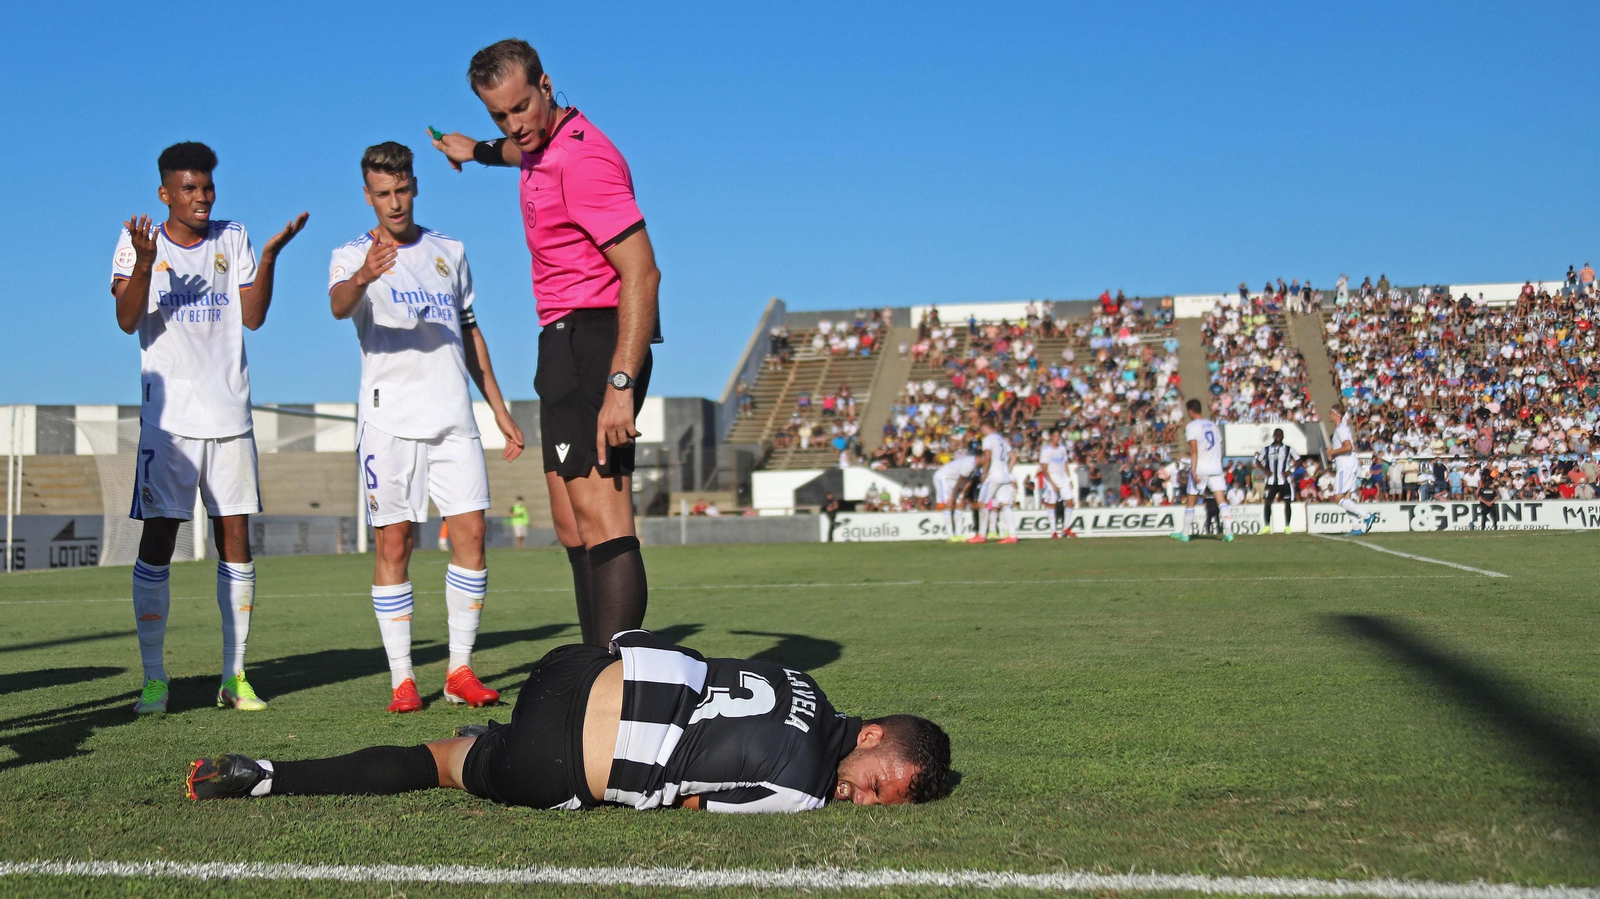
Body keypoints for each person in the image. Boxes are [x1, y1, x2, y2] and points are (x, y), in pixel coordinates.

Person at [186, 629, 954, 811]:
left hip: (573, 668)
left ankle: (261, 768)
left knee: (476, 743)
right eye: (876, 784)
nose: (862, 799)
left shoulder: (802, 677)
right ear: (874, 736)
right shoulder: (805, 792)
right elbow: (691, 802)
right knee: (446, 760)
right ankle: (267, 780)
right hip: (561, 759)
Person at [430, 39, 658, 647]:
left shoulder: (586, 160)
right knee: (571, 525)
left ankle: (612, 688)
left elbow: (642, 272)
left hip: (598, 338)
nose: (515, 124)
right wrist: (474, 151)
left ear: (547, 85)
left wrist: (620, 385)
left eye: (523, 107)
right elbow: (518, 150)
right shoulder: (540, 145)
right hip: (560, 340)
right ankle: (594, 670)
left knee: (604, 521)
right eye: (499, 115)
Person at [112, 141, 308, 715]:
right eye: (190, 188)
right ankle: (154, 679)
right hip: (168, 425)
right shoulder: (136, 241)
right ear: (165, 192)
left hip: (229, 417)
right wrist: (147, 261)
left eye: (207, 187)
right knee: (158, 541)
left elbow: (253, 316)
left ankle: (235, 676)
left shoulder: (233, 238)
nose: (201, 197)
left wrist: (269, 257)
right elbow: (127, 321)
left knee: (237, 542)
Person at [329, 142, 525, 712]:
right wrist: (365, 275)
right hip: (388, 423)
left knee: (472, 537)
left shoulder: (450, 251)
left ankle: (460, 670)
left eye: (402, 189)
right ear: (368, 196)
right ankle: (402, 680)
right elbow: (340, 305)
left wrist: (498, 408)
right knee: (395, 542)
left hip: (452, 419)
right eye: (382, 194)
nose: (394, 202)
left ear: (415, 185)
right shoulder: (349, 255)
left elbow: (469, 332)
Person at [1171, 399, 1231, 543]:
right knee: (1221, 500)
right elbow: (1219, 445)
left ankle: (1185, 534)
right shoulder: (1213, 425)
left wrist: (1193, 469)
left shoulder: (1192, 426)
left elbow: (1193, 449)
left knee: (1191, 499)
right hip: (1216, 467)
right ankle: (1229, 533)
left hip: (1201, 467)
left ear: (1190, 411)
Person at [1326, 403, 1377, 536]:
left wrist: (1332, 452)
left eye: (1331, 413)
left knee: (1338, 498)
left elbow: (1348, 447)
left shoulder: (1340, 429)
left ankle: (1366, 516)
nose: (1329, 416)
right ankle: (1356, 527)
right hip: (1349, 465)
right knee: (1347, 496)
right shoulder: (1342, 428)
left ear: (1337, 415)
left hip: (1345, 466)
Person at [968, 421, 1017, 544]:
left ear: (985, 428)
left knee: (982, 503)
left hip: (993, 476)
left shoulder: (988, 439)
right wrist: (1007, 470)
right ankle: (1012, 535)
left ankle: (982, 535)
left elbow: (987, 457)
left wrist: (984, 473)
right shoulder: (1002, 440)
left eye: (981, 430)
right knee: (1005, 505)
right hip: (1004, 476)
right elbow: (1014, 457)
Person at [1253, 428, 1300, 535]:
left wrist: (1290, 471)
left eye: (1280, 435)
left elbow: (1299, 460)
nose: (1278, 437)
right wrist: (1265, 471)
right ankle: (1267, 526)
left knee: (1287, 502)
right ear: (1273, 436)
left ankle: (1287, 526)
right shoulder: (1266, 449)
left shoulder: (1288, 449)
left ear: (1283, 437)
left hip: (1284, 481)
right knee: (1267, 502)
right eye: (1277, 435)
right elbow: (1258, 461)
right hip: (1270, 481)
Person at [1036, 429, 1077, 538]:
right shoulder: (1046, 451)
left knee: (1070, 502)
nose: (1057, 438)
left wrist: (1069, 480)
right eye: (1055, 436)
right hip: (1051, 479)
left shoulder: (1062, 449)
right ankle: (1053, 531)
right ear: (1050, 437)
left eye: (1058, 436)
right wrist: (1052, 484)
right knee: (1052, 504)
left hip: (1062, 478)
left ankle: (1066, 528)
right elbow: (1044, 469)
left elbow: (1065, 464)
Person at [933, 446, 978, 542]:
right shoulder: (969, 464)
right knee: (948, 504)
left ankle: (958, 534)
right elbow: (961, 480)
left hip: (954, 484)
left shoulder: (976, 467)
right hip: (944, 478)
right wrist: (953, 496)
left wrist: (962, 494)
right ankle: (950, 535)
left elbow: (969, 481)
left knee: (960, 504)